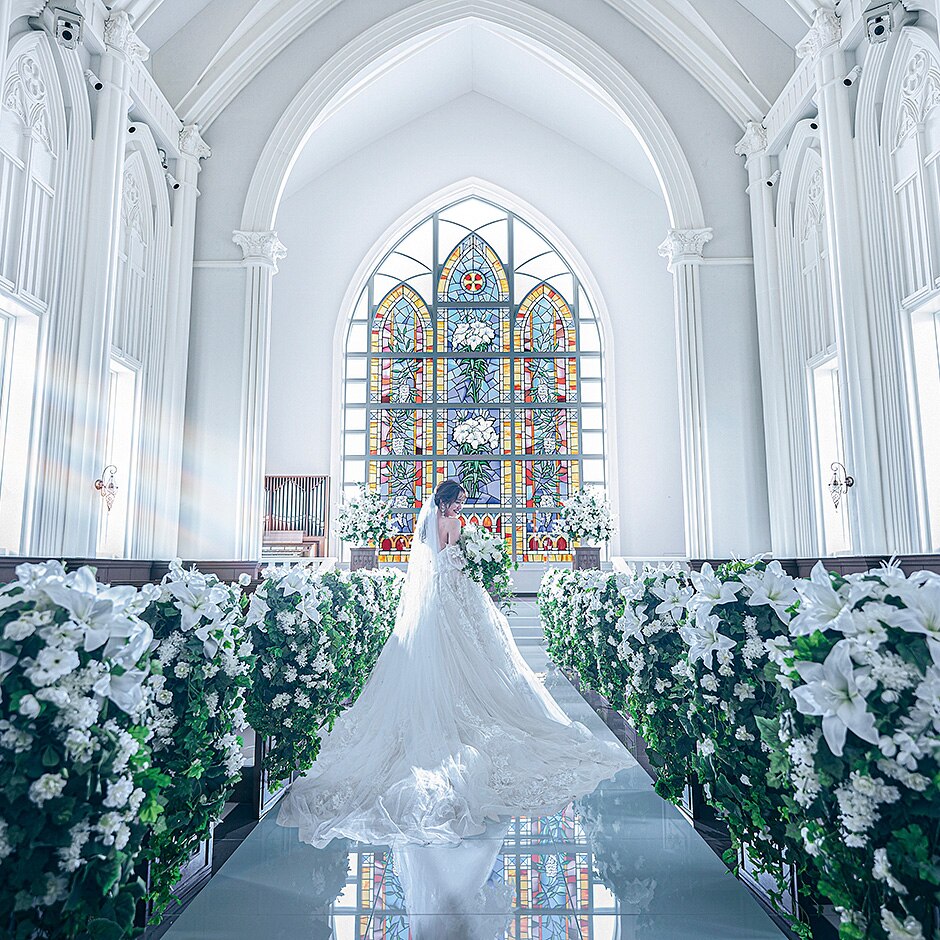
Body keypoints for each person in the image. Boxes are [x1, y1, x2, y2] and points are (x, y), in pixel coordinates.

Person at [277, 479, 629, 847]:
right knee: (476, 651)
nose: (461, 506)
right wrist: (479, 559)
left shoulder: (430, 523)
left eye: (462, 501)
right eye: (458, 501)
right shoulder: (456, 525)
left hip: (436, 596)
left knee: (449, 654)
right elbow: (458, 559)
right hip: (458, 592)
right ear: (445, 501)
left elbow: (435, 560)